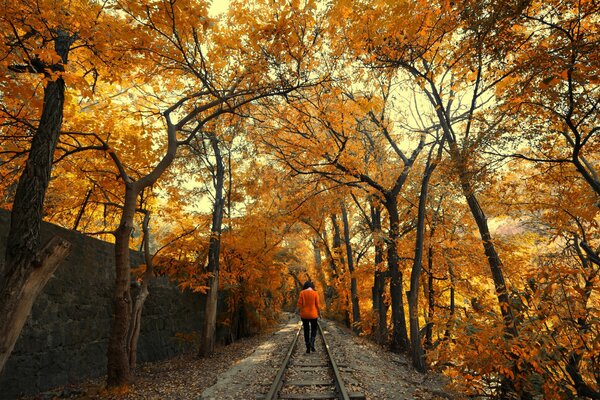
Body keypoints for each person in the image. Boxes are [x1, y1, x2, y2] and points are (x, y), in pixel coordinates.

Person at [296, 281, 321, 353]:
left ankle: (307, 346)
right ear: (312, 286)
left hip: (304, 315)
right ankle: (312, 341)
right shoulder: (315, 293)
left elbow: (299, 304)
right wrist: (320, 313)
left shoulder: (302, 293)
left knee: (306, 330)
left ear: (305, 286)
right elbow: (317, 305)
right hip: (313, 315)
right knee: (314, 328)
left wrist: (296, 311)